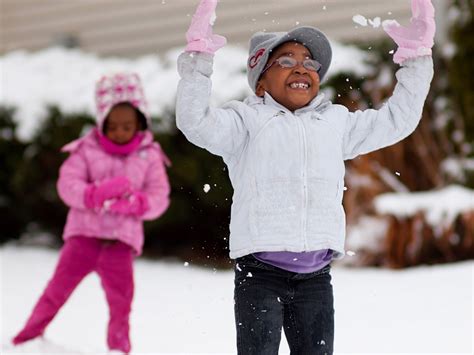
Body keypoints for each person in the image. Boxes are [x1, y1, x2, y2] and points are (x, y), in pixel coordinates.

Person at [177, 0, 435, 354]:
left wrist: (417, 59)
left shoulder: (336, 123)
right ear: (260, 82)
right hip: (259, 275)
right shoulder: (245, 123)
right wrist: (198, 60)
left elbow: (397, 121)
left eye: (309, 62)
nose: (301, 68)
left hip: (316, 278)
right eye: (285, 61)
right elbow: (195, 122)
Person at [12, 72, 171, 354]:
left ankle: (119, 349)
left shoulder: (149, 156)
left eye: (127, 126)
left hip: (119, 245)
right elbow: (67, 185)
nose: (120, 132)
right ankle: (25, 340)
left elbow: (159, 197)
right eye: (113, 126)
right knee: (55, 293)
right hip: (83, 240)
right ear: (101, 123)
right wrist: (92, 194)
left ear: (140, 123)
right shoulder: (86, 150)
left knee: (121, 303)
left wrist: (137, 203)